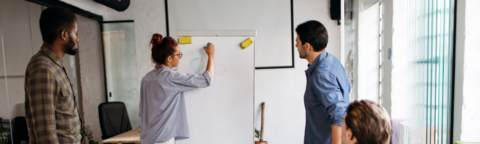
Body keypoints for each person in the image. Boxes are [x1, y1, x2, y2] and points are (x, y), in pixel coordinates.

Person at [139, 33, 215, 144]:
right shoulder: (171, 77)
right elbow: (206, 80)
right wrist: (211, 55)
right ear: (169, 58)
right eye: (179, 54)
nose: (179, 57)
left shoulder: (146, 79)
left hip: (147, 139)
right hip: (163, 139)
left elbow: (142, 112)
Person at [24, 6, 82, 144]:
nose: (77, 38)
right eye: (75, 33)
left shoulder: (54, 66)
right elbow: (46, 134)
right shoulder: (43, 69)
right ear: (64, 34)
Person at [295, 20, 351, 144]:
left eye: (297, 42)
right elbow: (348, 90)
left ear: (307, 46)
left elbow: (339, 114)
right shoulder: (331, 60)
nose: (296, 46)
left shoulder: (321, 75)